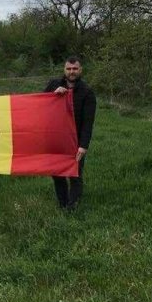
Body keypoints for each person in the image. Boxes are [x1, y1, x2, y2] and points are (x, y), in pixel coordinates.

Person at [44, 56, 97, 210]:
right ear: (64, 70)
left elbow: (88, 123)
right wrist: (53, 95)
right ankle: (62, 203)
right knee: (56, 173)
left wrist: (83, 146)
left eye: (75, 69)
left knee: (75, 174)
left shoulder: (87, 93)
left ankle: (72, 206)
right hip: (55, 138)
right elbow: (40, 104)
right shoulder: (53, 85)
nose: (71, 72)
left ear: (80, 70)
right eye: (69, 69)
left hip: (75, 140)